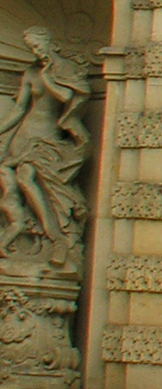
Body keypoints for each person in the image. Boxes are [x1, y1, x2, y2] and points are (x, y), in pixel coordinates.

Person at [0, 29, 93, 256]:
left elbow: (68, 98)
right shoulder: (30, 73)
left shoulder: (65, 68)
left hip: (48, 138)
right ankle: (42, 234)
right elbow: (20, 108)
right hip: (24, 136)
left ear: (48, 42)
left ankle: (54, 235)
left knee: (26, 176)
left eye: (37, 46)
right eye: (31, 48)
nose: (35, 51)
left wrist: (48, 76)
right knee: (21, 180)